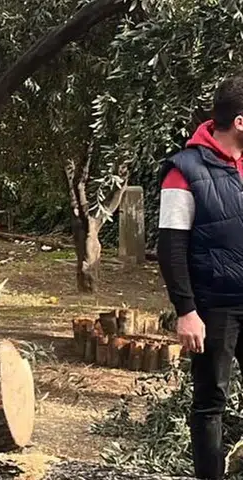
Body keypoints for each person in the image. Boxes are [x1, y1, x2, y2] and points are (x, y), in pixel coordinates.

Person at [158, 74, 243, 480]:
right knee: (211, 402)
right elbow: (170, 248)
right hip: (215, 306)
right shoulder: (183, 170)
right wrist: (186, 310)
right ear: (240, 121)